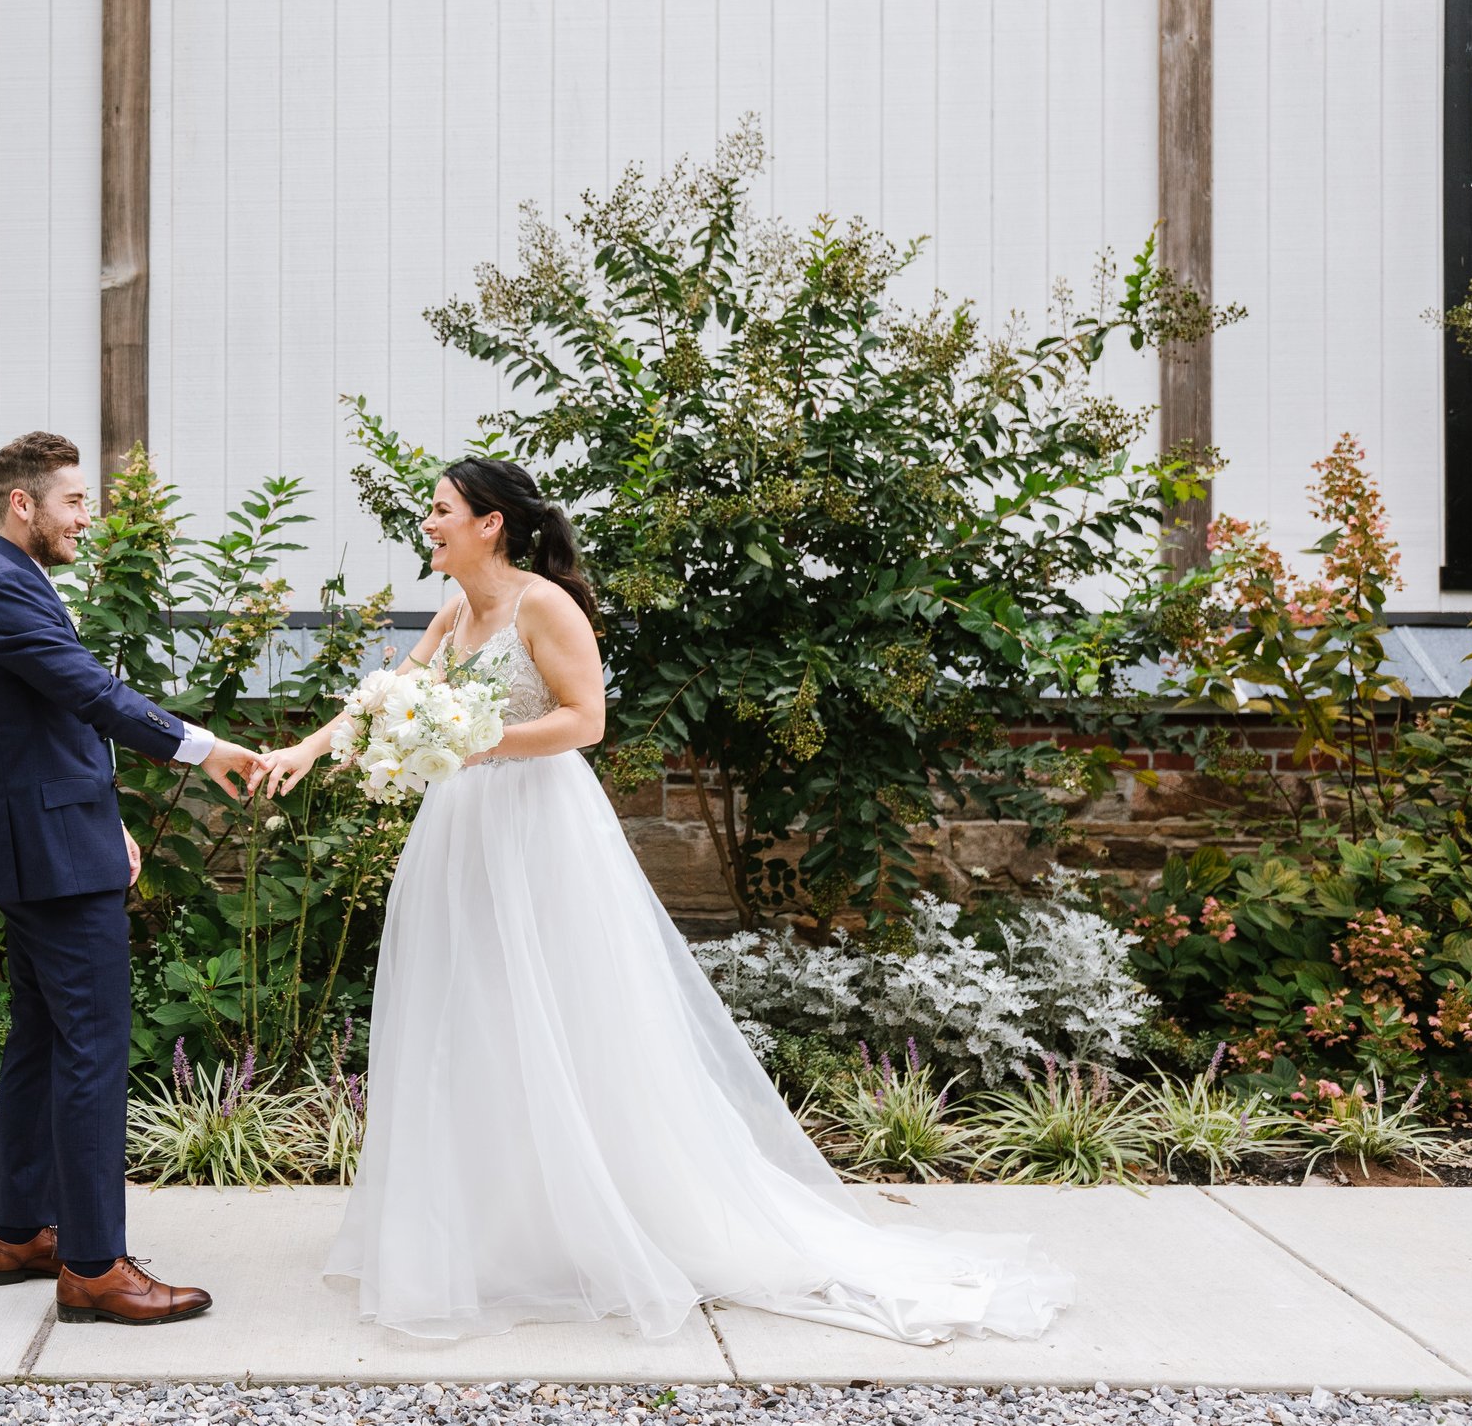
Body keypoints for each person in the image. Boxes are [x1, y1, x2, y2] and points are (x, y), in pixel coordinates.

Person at [251, 456, 1075, 1345]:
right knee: (476, 1012)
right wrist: (305, 750)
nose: (429, 524)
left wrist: (485, 738)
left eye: (442, 511)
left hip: (538, 827)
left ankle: (604, 1214)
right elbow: (393, 702)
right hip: (462, 829)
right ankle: (499, 1226)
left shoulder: (544, 604)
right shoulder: (455, 609)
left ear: (490, 522)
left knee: (562, 1013)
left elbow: (586, 719)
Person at [0, 431, 260, 1327]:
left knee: (43, 1037)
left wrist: (106, 816)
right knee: (92, 1048)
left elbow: (51, 718)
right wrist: (201, 749)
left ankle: (18, 1231)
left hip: (54, 839)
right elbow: (93, 693)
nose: (89, 515)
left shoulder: (11, 582)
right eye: (76, 500)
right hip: (49, 858)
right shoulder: (5, 592)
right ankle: (92, 1264)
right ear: (25, 504)